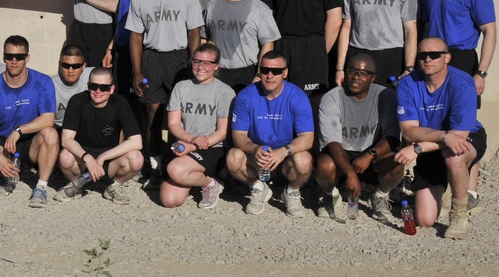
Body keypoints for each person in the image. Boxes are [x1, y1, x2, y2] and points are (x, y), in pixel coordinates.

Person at [424, 0, 495, 207]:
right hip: (435, 57)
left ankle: (471, 189)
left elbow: (489, 31)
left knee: (464, 122)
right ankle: (441, 182)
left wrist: (483, 72)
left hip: (463, 58)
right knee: (438, 120)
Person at [394, 38, 488, 238]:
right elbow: (409, 131)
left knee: (454, 156)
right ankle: (453, 182)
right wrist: (443, 136)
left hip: (465, 138)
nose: (428, 59)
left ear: (447, 58)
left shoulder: (462, 82)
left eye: (434, 55)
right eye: (422, 55)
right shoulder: (407, 84)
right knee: (426, 220)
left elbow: (460, 136)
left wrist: (417, 149)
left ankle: (459, 214)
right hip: (438, 140)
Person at [125, 0, 203, 178]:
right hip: (152, 58)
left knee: (182, 116)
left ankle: (181, 162)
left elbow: (194, 32)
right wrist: (137, 71)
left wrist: (194, 62)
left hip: (179, 58)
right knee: (153, 116)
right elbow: (136, 36)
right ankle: (156, 165)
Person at [316, 54, 405, 222]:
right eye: (352, 71)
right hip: (342, 152)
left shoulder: (385, 96)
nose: (356, 77)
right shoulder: (332, 98)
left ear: (373, 78)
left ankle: (380, 196)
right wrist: (351, 174)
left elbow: (393, 137)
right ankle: (331, 194)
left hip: (372, 152)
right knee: (324, 165)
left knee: (397, 162)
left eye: (363, 73)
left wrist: (369, 155)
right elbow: (332, 143)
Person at [226, 51, 314, 217]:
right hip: (258, 156)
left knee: (304, 160)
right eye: (265, 70)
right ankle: (258, 188)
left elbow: (307, 139)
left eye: (276, 71)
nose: (270, 75)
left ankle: (292, 192)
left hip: (285, 157)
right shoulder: (245, 96)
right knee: (233, 157)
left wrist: (283, 152)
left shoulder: (298, 97)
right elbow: (238, 135)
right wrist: (254, 149)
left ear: (285, 72)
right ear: (259, 71)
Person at [0, 36, 59, 207]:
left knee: (50, 134)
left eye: (19, 57)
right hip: (3, 140)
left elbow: (48, 119)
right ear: (4, 57)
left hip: (30, 139)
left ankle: (41, 187)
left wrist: (20, 130)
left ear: (27, 58)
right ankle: (11, 174)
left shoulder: (43, 81)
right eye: (10, 56)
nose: (14, 61)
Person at [159, 44, 235, 209]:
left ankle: (211, 183)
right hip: (186, 144)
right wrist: (191, 140)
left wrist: (194, 146)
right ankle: (196, 178)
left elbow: (222, 132)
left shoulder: (225, 92)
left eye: (207, 63)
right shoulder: (181, 87)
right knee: (169, 200)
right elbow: (173, 123)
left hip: (213, 148)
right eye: (197, 61)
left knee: (176, 171)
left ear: (216, 66)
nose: (201, 67)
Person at [54, 68, 143, 204]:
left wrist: (103, 157)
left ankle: (114, 186)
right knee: (65, 157)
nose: (98, 91)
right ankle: (77, 185)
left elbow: (137, 142)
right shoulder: (77, 101)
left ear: (112, 89)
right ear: (88, 86)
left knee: (137, 159)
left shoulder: (120, 103)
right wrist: (88, 158)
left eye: (104, 87)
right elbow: (66, 140)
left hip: (110, 158)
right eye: (94, 86)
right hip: (82, 157)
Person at [205, 0, 279, 92]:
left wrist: (258, 75)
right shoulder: (213, 5)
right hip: (216, 72)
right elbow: (206, 39)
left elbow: (268, 45)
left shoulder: (259, 8)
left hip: (247, 73)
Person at [104, 0, 151, 96]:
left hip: (141, 50)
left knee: (140, 97)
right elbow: (122, 18)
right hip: (122, 49)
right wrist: (111, 48)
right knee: (123, 96)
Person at [51, 45, 93, 129]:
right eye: (66, 65)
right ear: (60, 64)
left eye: (76, 66)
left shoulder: (93, 76)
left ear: (84, 66)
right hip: (59, 127)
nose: (70, 70)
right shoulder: (50, 84)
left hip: (86, 127)